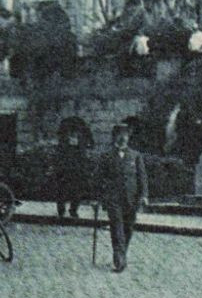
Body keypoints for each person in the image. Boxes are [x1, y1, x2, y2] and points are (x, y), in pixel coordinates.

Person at [97, 123, 148, 272]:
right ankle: (119, 259)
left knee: (128, 228)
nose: (123, 137)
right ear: (115, 136)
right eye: (120, 134)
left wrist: (144, 195)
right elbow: (99, 179)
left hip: (131, 199)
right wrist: (100, 196)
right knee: (117, 228)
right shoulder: (106, 156)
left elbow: (142, 177)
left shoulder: (135, 156)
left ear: (128, 137)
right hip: (113, 199)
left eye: (125, 134)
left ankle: (122, 254)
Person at [55, 117, 93, 219]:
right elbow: (59, 153)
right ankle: (61, 210)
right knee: (62, 190)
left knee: (77, 191)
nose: (74, 134)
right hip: (65, 169)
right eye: (72, 131)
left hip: (78, 169)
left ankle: (73, 210)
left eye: (76, 131)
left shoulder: (82, 140)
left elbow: (90, 147)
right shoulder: (63, 140)